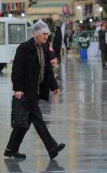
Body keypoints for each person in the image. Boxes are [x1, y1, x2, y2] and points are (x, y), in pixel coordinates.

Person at [4, 19, 65, 160]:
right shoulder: (24, 48)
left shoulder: (44, 48)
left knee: (24, 124)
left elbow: (47, 69)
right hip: (26, 91)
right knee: (38, 120)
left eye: (47, 34)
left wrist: (53, 86)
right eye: (44, 34)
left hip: (36, 91)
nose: (46, 36)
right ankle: (52, 148)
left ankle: (11, 149)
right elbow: (17, 70)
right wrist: (18, 89)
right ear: (36, 34)